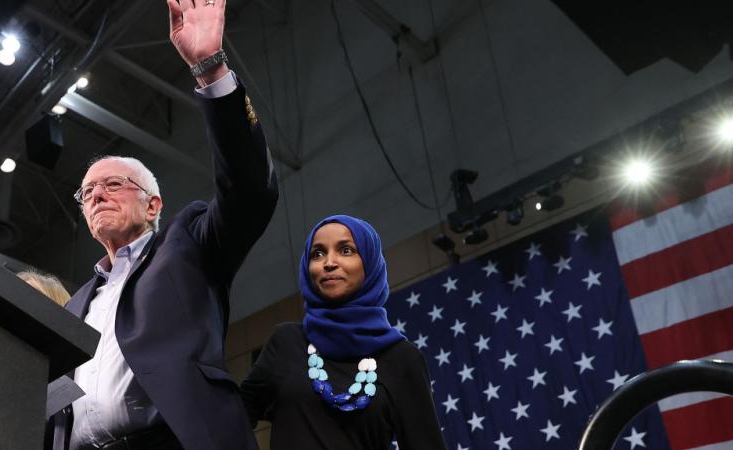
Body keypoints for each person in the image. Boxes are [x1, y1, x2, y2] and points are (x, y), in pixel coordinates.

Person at [48, 0, 278, 448]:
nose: (96, 194)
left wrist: (210, 69)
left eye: (112, 183)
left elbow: (250, 192)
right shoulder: (75, 306)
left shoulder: (187, 243)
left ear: (153, 206)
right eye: (87, 192)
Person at [240, 215, 447, 450]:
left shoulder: (402, 358)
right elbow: (232, 416)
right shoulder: (286, 342)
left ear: (369, 264)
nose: (329, 262)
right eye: (317, 254)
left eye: (346, 250)